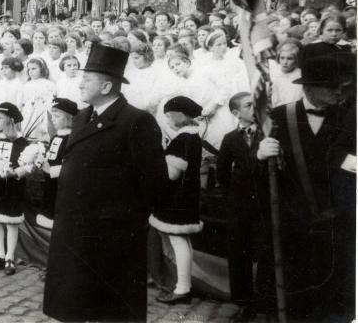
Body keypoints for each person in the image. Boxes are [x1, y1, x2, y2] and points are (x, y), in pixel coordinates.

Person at [43, 44, 168, 322]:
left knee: (110, 308)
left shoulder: (136, 121)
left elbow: (154, 181)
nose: (80, 85)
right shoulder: (81, 118)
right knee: (75, 304)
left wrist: (123, 219)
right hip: (75, 228)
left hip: (112, 234)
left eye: (86, 80)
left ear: (106, 86)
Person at [256, 54, 355, 321]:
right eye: (331, 85)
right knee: (291, 298)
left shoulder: (349, 119)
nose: (339, 91)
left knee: (331, 300)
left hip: (335, 225)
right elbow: (253, 180)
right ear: (308, 87)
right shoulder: (276, 117)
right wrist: (259, 155)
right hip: (291, 226)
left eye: (342, 85)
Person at [216, 92, 268, 321]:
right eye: (248, 105)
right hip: (240, 207)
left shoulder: (269, 133)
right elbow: (222, 173)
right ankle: (244, 304)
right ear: (236, 113)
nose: (253, 107)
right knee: (240, 256)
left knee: (267, 252)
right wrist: (233, 200)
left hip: (266, 204)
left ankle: (267, 303)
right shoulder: (230, 139)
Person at [149, 96, 204, 305]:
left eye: (169, 116)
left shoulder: (183, 139)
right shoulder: (192, 136)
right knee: (183, 241)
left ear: (179, 115)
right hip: (187, 196)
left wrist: (158, 159)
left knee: (178, 241)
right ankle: (184, 286)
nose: (168, 120)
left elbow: (171, 174)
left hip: (176, 198)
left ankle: (182, 288)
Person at [0, 102, 30, 276]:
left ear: (10, 120)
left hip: (12, 187)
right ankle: (0, 255)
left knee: (10, 222)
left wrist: (14, 173)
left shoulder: (21, 142)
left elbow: (27, 165)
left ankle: (10, 256)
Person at [36, 98, 77, 230]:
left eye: (57, 116)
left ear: (69, 118)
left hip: (62, 182)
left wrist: (51, 170)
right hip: (50, 181)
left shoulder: (71, 139)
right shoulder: (55, 137)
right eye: (52, 115)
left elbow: (71, 163)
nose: (53, 119)